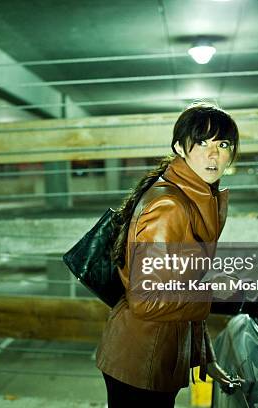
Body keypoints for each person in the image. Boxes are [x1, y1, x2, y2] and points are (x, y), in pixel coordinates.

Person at [96, 102, 239, 406]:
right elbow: (148, 299)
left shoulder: (194, 197)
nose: (213, 154)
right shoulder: (171, 207)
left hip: (154, 358)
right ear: (180, 147)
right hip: (140, 363)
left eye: (223, 144)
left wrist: (205, 356)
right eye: (201, 142)